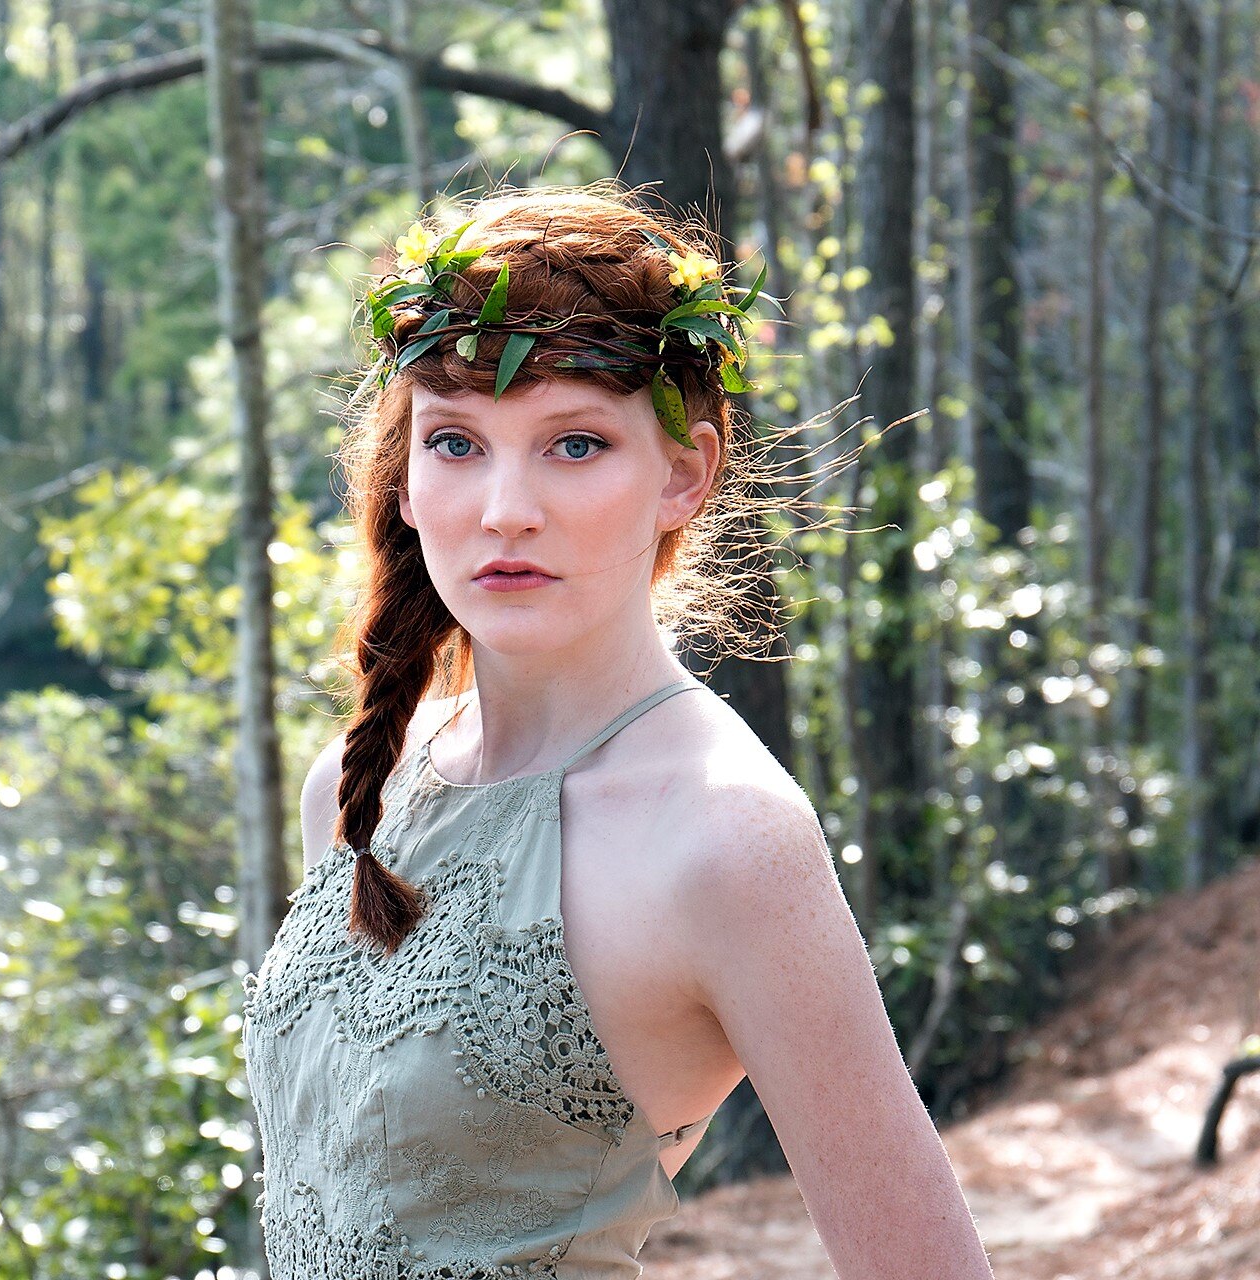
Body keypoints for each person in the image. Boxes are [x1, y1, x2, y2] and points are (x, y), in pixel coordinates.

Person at [239, 182, 996, 1279]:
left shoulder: (726, 837)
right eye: (457, 443)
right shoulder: (359, 785)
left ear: (683, 473)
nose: (505, 508)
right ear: (404, 478)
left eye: (576, 444)